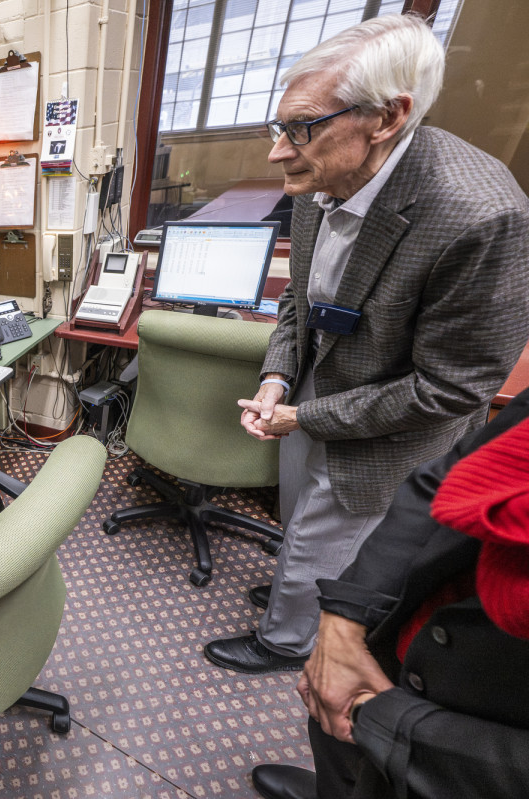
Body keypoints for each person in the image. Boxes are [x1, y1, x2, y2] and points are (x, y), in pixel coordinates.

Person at [203, 14, 529, 674]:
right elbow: (298, 301)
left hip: (394, 427)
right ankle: (295, 594)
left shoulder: (481, 214)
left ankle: (284, 641)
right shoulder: (319, 174)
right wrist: (275, 379)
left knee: (335, 539)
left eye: (301, 128)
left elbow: (451, 388)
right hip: (313, 392)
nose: (278, 151)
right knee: (303, 527)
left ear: (387, 118)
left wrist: (306, 414)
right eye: (280, 126)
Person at [250, 386, 529, 799]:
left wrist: (383, 720)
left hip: (477, 738)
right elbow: (440, 480)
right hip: (413, 622)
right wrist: (343, 624)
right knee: (336, 739)